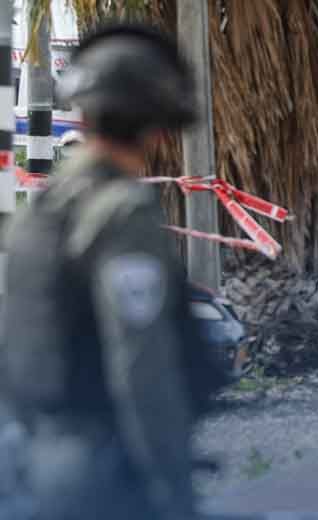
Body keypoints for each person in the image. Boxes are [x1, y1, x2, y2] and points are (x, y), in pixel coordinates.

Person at [3, 24, 222, 519]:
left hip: (31, 461)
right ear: (159, 125)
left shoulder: (40, 211)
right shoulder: (123, 211)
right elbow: (140, 362)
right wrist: (172, 485)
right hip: (103, 470)